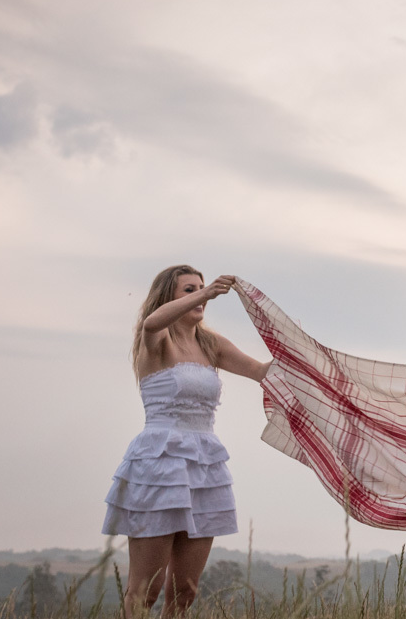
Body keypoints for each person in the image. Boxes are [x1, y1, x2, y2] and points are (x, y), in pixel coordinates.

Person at [103, 265, 271, 618]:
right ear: (170, 297)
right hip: (158, 464)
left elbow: (260, 372)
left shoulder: (211, 344)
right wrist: (208, 292)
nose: (200, 295)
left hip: (204, 465)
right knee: (144, 591)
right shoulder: (156, 340)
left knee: (185, 591)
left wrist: (300, 357)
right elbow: (151, 322)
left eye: (201, 288)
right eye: (189, 290)